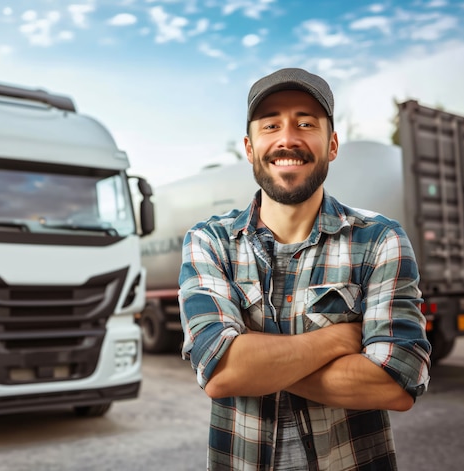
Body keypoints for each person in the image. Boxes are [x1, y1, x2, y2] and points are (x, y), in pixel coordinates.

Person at [178, 68, 432, 471]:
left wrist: (255, 365)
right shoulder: (210, 241)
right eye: (271, 124)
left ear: (331, 144)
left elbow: (396, 383)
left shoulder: (379, 240)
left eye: (306, 123)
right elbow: (223, 372)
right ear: (249, 147)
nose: (287, 138)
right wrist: (338, 341)